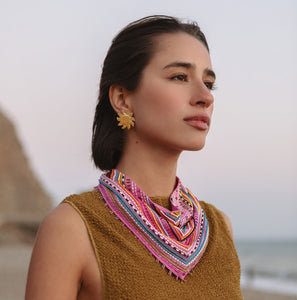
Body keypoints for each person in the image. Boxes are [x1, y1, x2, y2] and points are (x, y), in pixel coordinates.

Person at [25, 15, 242, 299]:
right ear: (122, 99)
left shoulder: (219, 228)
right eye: (179, 76)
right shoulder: (74, 227)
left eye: (209, 82)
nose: (205, 96)